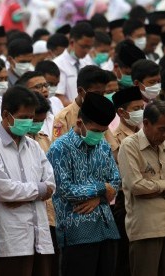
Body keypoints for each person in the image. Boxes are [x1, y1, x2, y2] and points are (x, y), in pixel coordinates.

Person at [0, 86, 55, 276]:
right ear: (6, 114)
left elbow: (51, 183)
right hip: (10, 241)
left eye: (30, 117)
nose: (28, 122)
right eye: (23, 117)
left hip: (39, 237)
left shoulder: (33, 146)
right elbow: (4, 190)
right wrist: (39, 191)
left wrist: (25, 193)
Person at [47, 93, 120, 276]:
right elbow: (64, 189)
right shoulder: (60, 148)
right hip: (77, 231)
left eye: (103, 131)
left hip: (106, 226)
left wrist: (99, 198)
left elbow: (116, 180)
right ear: (80, 123)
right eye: (96, 130)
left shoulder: (103, 145)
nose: (99, 135)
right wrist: (102, 189)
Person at [118, 100, 165, 276]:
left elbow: (145, 187)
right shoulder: (130, 145)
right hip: (146, 229)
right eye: (161, 129)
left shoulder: (163, 143)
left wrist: (154, 188)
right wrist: (163, 187)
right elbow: (136, 186)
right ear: (146, 123)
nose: (164, 134)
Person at [111, 86, 144, 276]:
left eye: (142, 107)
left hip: (148, 202)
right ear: (122, 112)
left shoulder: (147, 131)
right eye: (136, 108)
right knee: (126, 258)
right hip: (126, 201)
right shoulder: (116, 137)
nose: (140, 111)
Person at [52, 66, 119, 154]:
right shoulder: (63, 117)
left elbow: (113, 149)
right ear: (80, 91)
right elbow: (59, 151)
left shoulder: (100, 112)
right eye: (96, 94)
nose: (99, 98)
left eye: (103, 94)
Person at [54, 22, 95, 106]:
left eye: (89, 47)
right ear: (72, 42)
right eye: (84, 47)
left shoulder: (87, 61)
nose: (87, 51)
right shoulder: (58, 65)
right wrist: (79, 109)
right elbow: (59, 97)